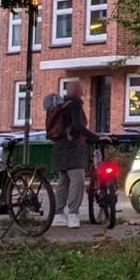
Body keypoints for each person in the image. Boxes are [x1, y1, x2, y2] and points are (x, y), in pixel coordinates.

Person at [52, 80, 105, 228]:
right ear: (76, 90)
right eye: (81, 87)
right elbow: (77, 126)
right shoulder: (75, 104)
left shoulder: (62, 105)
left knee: (64, 181)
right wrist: (96, 137)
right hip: (72, 148)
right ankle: (73, 214)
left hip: (60, 146)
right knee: (78, 180)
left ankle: (58, 214)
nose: (83, 89)